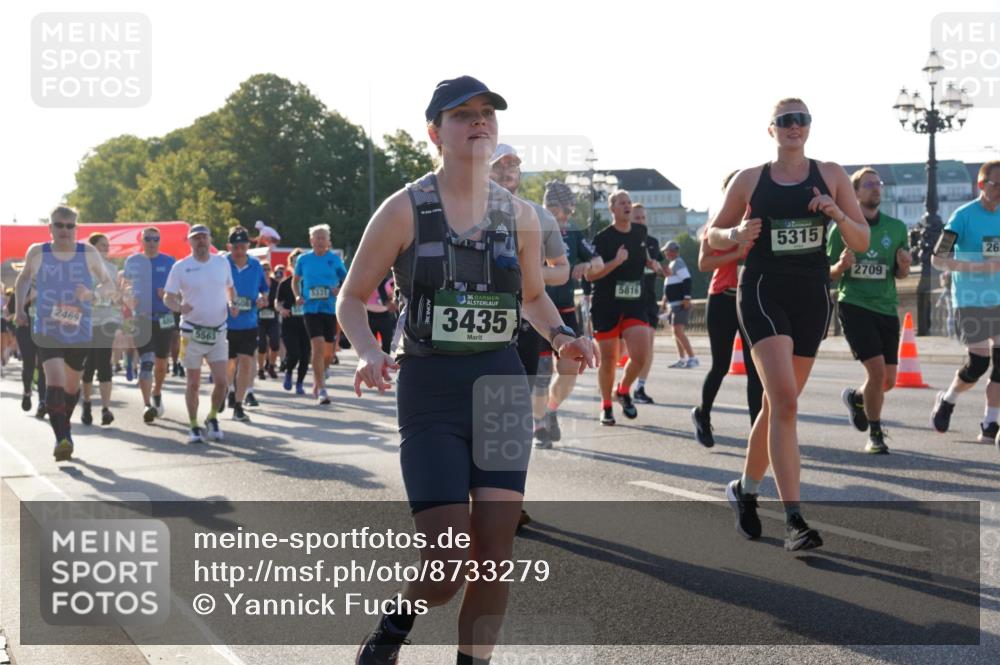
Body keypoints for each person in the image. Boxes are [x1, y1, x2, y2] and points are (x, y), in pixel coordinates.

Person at [336, 76, 595, 665]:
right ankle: (394, 626)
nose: (479, 122)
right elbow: (351, 299)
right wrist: (369, 353)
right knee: (448, 563)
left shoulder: (521, 216)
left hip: (502, 387)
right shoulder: (405, 208)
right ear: (436, 132)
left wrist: (562, 336)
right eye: (463, 115)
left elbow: (532, 297)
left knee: (495, 553)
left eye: (487, 114)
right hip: (431, 390)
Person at [706, 98, 869, 551]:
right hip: (762, 290)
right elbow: (711, 234)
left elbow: (861, 237)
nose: (794, 126)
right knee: (784, 402)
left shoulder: (831, 174)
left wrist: (836, 213)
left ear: (809, 128)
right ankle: (795, 519)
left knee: (780, 406)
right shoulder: (750, 179)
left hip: (812, 296)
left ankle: (745, 490)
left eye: (801, 119)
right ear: (771, 129)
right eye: (785, 120)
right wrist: (735, 235)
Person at [14, 205, 114, 461]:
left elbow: (108, 284)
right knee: (55, 382)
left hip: (79, 330)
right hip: (47, 328)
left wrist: (91, 295)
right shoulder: (38, 252)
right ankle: (62, 439)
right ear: (50, 228)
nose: (65, 230)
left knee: (71, 388)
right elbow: (24, 278)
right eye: (59, 225)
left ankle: (64, 426)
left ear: (76, 229)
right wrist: (20, 310)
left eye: (70, 226)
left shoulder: (88, 252)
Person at [829, 167, 911, 454]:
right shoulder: (841, 228)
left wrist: (903, 266)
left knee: (887, 381)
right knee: (877, 374)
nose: (875, 188)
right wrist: (840, 266)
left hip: (886, 306)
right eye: (868, 184)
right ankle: (875, 434)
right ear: (855, 193)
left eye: (878, 184)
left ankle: (857, 398)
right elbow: (827, 273)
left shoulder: (897, 228)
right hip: (855, 305)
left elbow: (900, 274)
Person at [928, 160, 1000, 446]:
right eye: (997, 185)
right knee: (978, 364)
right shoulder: (963, 216)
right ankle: (948, 399)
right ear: (981, 185)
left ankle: (990, 421)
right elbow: (937, 259)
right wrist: (980, 268)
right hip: (970, 300)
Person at [692, 170, 764, 448]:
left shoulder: (757, 222)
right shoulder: (718, 226)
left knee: (754, 368)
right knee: (720, 365)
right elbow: (703, 264)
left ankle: (756, 435)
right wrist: (738, 249)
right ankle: (703, 414)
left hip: (751, 299)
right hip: (723, 298)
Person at [530, 180, 603, 448]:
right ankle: (538, 425)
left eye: (569, 212)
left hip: (567, 312)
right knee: (541, 371)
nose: (565, 217)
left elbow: (598, 261)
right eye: (559, 209)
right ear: (547, 206)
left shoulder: (572, 234)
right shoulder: (532, 227)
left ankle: (550, 409)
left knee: (569, 368)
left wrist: (586, 264)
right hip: (537, 311)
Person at [489, 144, 570, 380]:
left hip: (528, 319)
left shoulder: (539, 216)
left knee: (523, 394)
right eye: (498, 165)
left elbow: (563, 270)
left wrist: (528, 272)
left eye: (513, 165)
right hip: (482, 318)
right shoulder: (464, 211)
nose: (507, 171)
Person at [164, 224, 237, 444]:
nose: (201, 241)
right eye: (196, 238)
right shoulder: (181, 267)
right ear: (190, 242)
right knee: (193, 383)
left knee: (222, 382)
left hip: (218, 332)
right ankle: (194, 424)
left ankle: (212, 417)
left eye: (204, 237)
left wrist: (232, 303)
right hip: (191, 333)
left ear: (210, 239)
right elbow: (168, 297)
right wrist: (178, 307)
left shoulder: (222, 262)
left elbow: (230, 288)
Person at [587, 189, 651, 425]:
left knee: (641, 356)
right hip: (606, 304)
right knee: (608, 359)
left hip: (634, 303)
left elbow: (641, 257)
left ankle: (622, 390)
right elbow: (592, 275)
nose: (627, 206)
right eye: (621, 203)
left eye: (628, 202)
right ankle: (606, 407)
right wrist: (616, 261)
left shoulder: (640, 232)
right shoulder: (603, 239)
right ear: (612, 208)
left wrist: (651, 262)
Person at [123, 226, 177, 423]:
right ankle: (147, 405)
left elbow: (179, 292)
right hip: (142, 318)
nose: (152, 242)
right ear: (142, 241)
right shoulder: (133, 261)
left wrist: (168, 295)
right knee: (147, 361)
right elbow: (125, 286)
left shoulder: (169, 262)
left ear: (160, 241)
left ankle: (157, 392)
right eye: (148, 239)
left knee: (161, 364)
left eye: (156, 239)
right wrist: (128, 298)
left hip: (164, 318)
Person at [292, 224, 347, 405]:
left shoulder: (334, 260)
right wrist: (298, 295)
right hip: (311, 308)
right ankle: (322, 388)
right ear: (311, 240)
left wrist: (339, 289)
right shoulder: (303, 259)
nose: (321, 240)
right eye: (318, 237)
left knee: (329, 352)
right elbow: (295, 280)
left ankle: (321, 374)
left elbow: (346, 278)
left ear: (328, 241)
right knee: (317, 345)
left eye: (324, 237)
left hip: (330, 308)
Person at [223, 226, 269, 421]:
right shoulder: (222, 263)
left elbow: (264, 290)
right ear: (229, 247)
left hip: (249, 322)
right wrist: (228, 303)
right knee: (229, 363)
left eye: (243, 247)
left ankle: (239, 404)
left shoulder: (256, 265)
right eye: (235, 247)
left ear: (248, 246)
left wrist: (262, 299)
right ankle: (230, 389)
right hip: (225, 323)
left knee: (246, 362)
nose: (239, 251)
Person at [80, 233, 123, 426]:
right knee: (88, 366)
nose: (105, 248)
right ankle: (87, 404)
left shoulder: (113, 269)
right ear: (92, 248)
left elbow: (115, 298)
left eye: (107, 245)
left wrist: (120, 295)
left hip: (107, 320)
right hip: (86, 321)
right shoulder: (82, 269)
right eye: (101, 245)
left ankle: (106, 409)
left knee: (104, 362)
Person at [630, 202, 667, 403]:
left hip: (649, 300)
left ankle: (640, 388)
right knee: (625, 350)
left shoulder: (652, 242)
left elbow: (661, 270)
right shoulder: (624, 241)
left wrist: (658, 268)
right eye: (637, 218)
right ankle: (619, 386)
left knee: (648, 346)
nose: (641, 221)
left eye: (643, 218)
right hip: (628, 302)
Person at [7, 286, 47, 417]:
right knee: (29, 365)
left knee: (43, 366)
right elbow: (10, 314)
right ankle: (27, 392)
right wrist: (30, 297)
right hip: (25, 330)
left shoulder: (49, 285)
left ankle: (42, 402)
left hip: (44, 331)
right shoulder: (21, 287)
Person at [276, 250, 311, 393]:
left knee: (305, 356)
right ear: (290, 265)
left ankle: (300, 384)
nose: (297, 265)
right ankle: (289, 372)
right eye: (294, 262)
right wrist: (281, 310)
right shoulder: (284, 284)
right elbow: (277, 303)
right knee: (294, 353)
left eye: (300, 262)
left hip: (308, 324)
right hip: (290, 323)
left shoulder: (310, 282)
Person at [661, 240, 698, 368]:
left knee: (678, 332)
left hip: (679, 304)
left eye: (667, 251)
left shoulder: (678, 263)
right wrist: (665, 300)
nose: (665, 253)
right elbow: (671, 284)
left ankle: (692, 358)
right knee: (675, 333)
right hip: (673, 304)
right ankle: (682, 359)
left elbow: (687, 280)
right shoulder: (673, 264)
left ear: (673, 251)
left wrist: (687, 298)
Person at [257, 261, 281, 380]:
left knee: (275, 344)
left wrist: (277, 306)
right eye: (263, 269)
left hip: (273, 317)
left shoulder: (276, 284)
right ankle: (260, 369)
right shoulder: (256, 283)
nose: (265, 272)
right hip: (260, 319)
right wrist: (259, 304)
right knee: (261, 346)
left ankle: (271, 366)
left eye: (267, 269)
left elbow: (281, 299)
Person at [366, 274, 397, 354]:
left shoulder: (390, 282)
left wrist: (393, 300)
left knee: (386, 344)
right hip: (369, 315)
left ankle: (384, 365)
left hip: (385, 315)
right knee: (371, 347)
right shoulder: (367, 280)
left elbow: (397, 293)